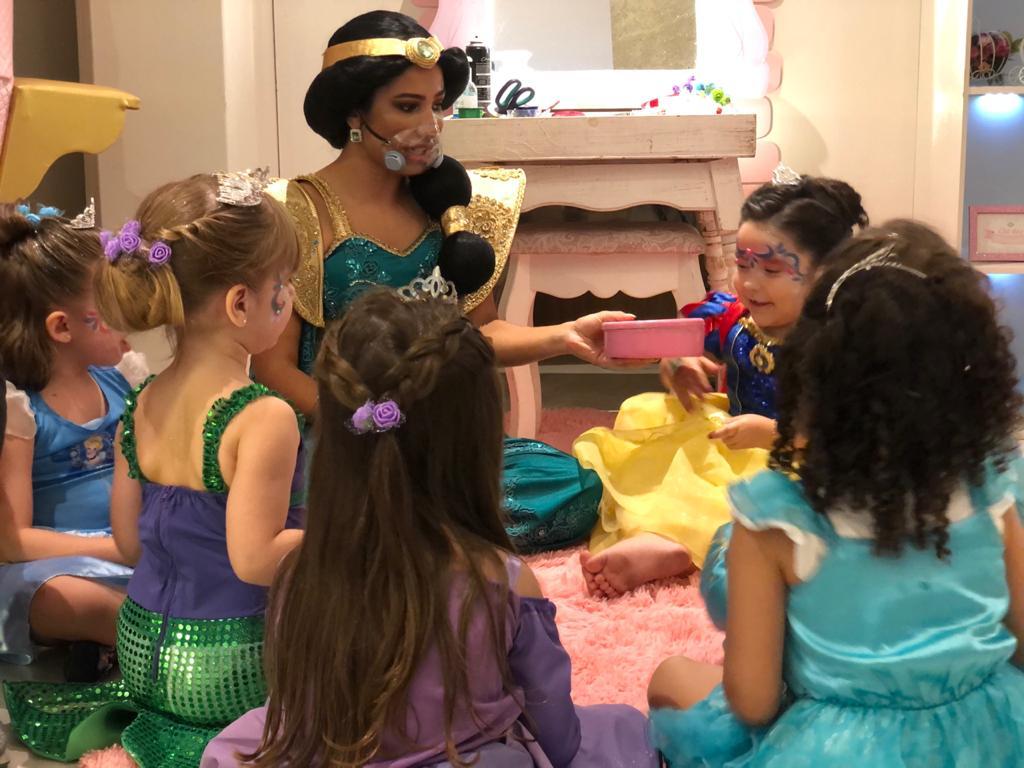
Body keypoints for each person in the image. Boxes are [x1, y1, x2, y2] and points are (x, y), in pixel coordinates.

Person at [202, 284, 658, 767]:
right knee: (628, 731)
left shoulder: (299, 573)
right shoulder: (501, 579)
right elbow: (559, 737)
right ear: (478, 448)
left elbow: (302, 712)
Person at [258, 10, 647, 553]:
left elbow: (478, 334)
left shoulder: (452, 209)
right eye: (407, 106)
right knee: (362, 509)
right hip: (338, 442)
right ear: (353, 112)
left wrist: (565, 336)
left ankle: (409, 530)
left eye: (437, 104)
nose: (430, 126)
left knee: (570, 488)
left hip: (437, 437)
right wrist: (368, 426)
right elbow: (273, 367)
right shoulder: (295, 210)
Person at [646, 221, 1024, 766]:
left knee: (670, 677)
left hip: (834, 748)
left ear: (814, 371)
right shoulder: (993, 489)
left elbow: (753, 703)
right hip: (991, 732)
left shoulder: (777, 518)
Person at [4, 171, 305, 767]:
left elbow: (128, 543)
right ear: (240, 303)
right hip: (228, 666)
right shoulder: (264, 416)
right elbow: (255, 559)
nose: (291, 297)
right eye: (284, 283)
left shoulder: (139, 402)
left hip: (142, 651)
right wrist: (343, 534)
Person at [575, 170, 867, 596]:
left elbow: (850, 432)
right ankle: (657, 533)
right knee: (648, 419)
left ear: (825, 274)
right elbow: (679, 344)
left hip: (800, 454)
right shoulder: (732, 316)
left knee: (750, 496)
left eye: (771, 269)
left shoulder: (837, 341)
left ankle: (674, 546)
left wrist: (773, 435)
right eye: (742, 264)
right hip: (730, 431)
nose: (750, 282)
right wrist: (679, 364)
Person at [0, 200, 140, 679]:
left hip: (130, 547)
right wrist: (120, 549)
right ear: (62, 326)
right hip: (56, 565)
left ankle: (107, 645)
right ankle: (131, 638)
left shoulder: (122, 380)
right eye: (113, 310)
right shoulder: (20, 409)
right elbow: (12, 541)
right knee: (72, 599)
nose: (130, 321)